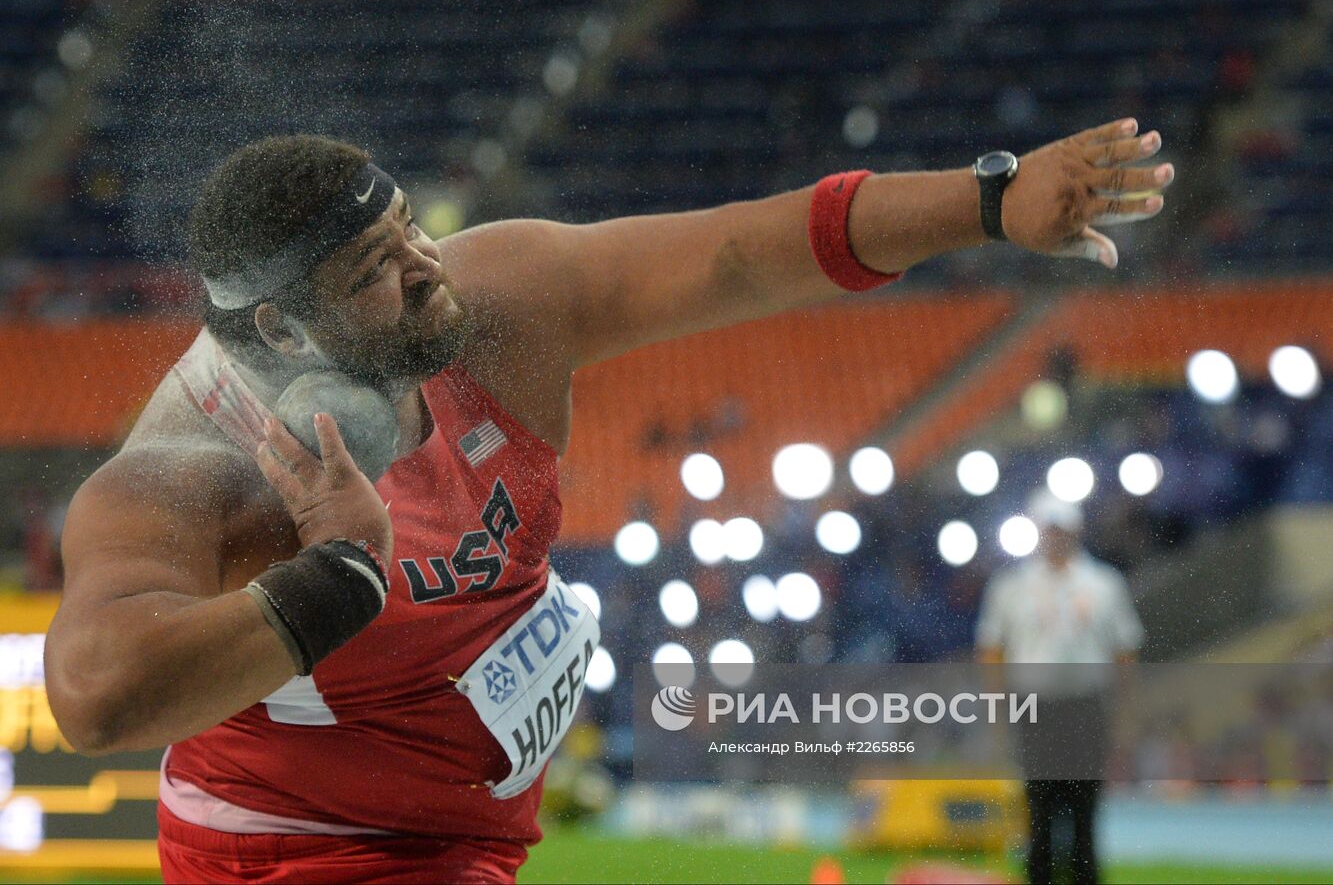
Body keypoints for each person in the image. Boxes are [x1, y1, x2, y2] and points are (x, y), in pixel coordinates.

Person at [44, 121, 1171, 883]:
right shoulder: (194, 470)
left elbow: (738, 254)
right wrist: (329, 574)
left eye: (409, 232)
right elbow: (96, 697)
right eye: (371, 273)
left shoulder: (498, 306)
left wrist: (987, 202)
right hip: (297, 850)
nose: (424, 267)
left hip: (469, 839)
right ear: (283, 334)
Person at [976, 489, 1144, 885]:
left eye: (1061, 530)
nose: (1055, 538)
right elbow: (992, 652)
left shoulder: (1104, 584)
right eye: (1049, 530)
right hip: (1035, 710)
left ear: (1077, 531)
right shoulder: (1011, 587)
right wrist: (996, 710)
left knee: (1085, 811)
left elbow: (1125, 653)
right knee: (1039, 810)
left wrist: (1125, 716)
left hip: (1085, 708)